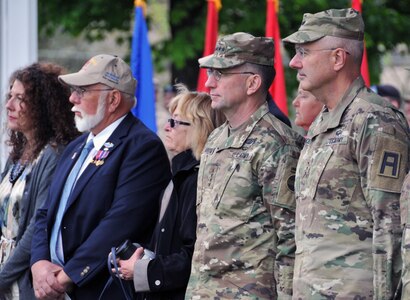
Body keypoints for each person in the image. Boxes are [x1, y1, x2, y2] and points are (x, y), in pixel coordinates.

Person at [283, 8, 410, 298]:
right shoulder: (323, 122)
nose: (293, 62)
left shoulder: (375, 121)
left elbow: (390, 228)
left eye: (304, 51)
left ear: (338, 58)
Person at [30, 54, 171, 299]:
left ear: (113, 99)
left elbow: (120, 224)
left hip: (98, 290)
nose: (72, 99)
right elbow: (46, 212)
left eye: (82, 91)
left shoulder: (142, 147)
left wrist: (65, 277)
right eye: (74, 90)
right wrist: (39, 264)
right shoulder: (76, 147)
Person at [186, 32, 304, 299]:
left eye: (221, 74)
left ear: (252, 83)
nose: (208, 83)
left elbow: (290, 239)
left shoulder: (277, 144)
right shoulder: (217, 137)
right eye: (210, 73)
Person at [114, 84, 226, 299]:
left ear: (199, 128)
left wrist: (143, 270)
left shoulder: (196, 180)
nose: (167, 127)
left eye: (175, 121)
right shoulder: (179, 175)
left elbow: (195, 255)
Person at [0, 63, 79, 299]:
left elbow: (37, 227)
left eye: (20, 98)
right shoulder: (19, 152)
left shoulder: (54, 155)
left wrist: (3, 277)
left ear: (42, 105)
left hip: (25, 279)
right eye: (10, 96)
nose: (9, 105)